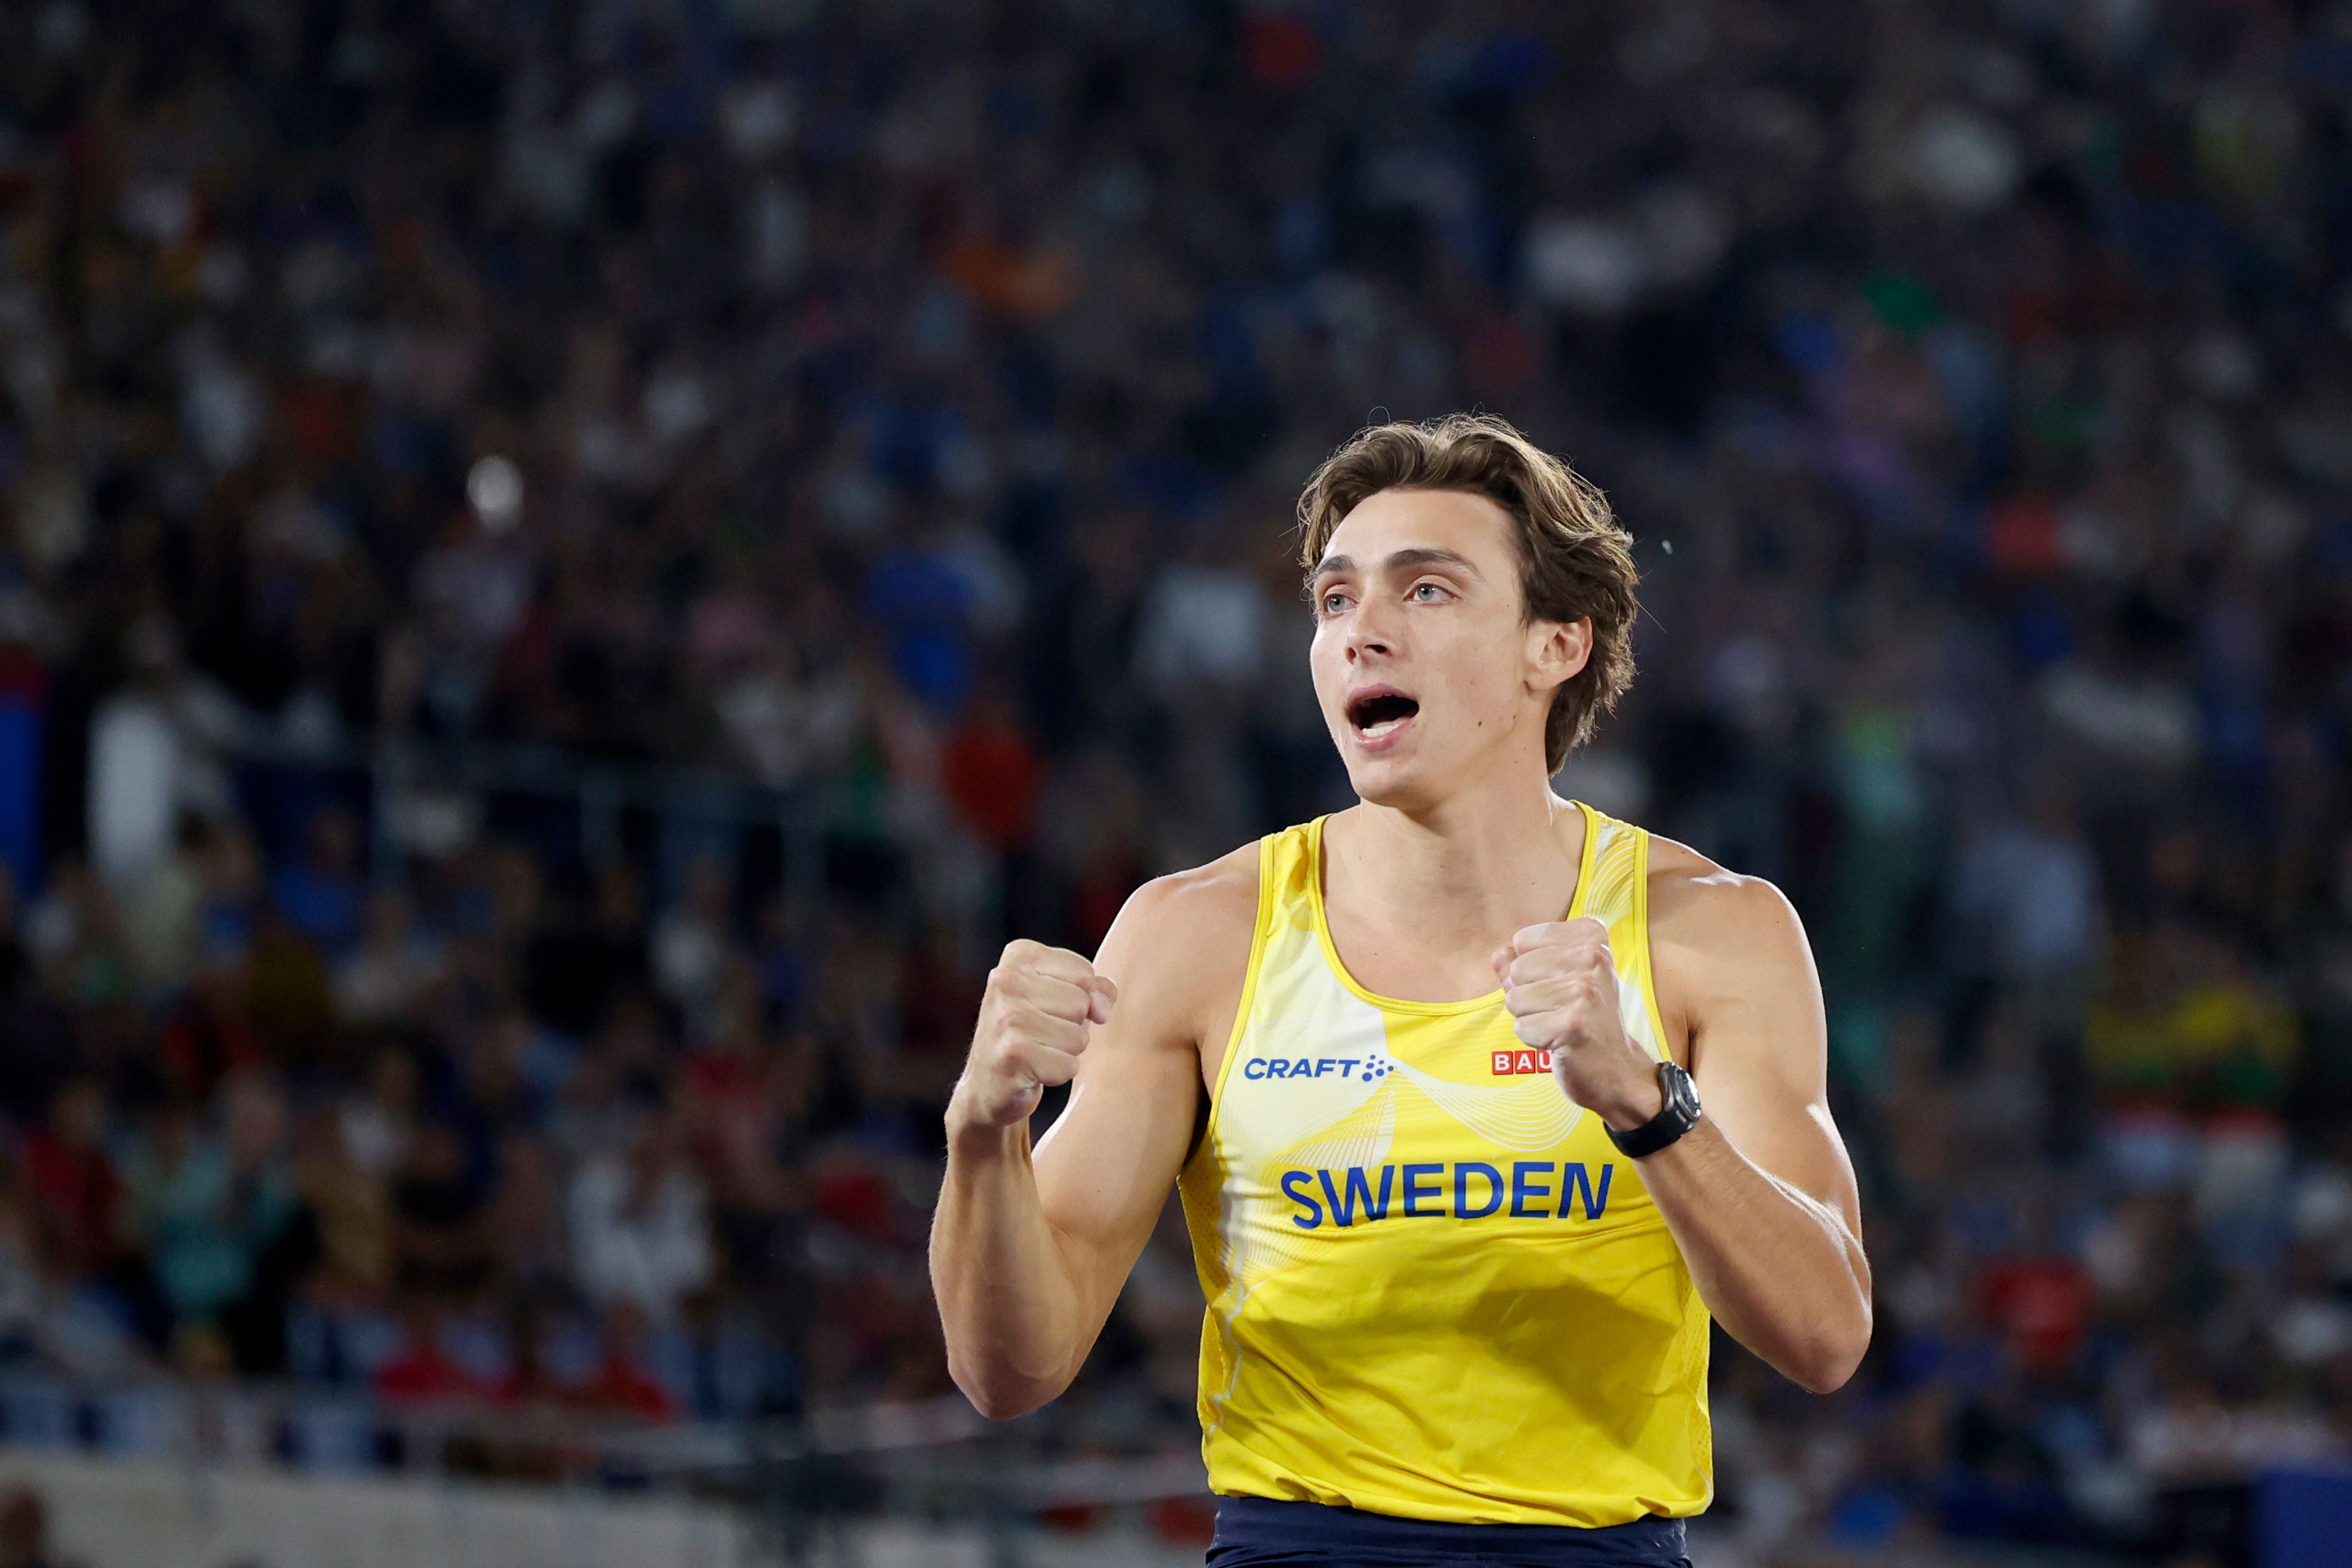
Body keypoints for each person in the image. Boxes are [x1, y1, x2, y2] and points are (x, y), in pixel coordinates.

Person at [930, 415, 1872, 1566]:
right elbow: (1010, 1372)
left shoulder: (1713, 931)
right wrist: (983, 1139)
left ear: (1557, 645)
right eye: (1334, 602)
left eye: (1426, 592)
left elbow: (1826, 1335)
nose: (1361, 632)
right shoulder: (1196, 935)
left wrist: (1646, 1103)